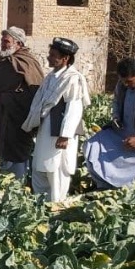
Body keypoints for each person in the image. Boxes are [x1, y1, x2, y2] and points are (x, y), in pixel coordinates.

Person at [23, 37, 90, 202]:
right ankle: (40, 209)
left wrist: (65, 135)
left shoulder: (73, 78)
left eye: (53, 55)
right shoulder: (51, 77)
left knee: (56, 172)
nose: (49, 57)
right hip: (45, 132)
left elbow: (74, 108)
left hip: (59, 136)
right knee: (40, 170)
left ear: (65, 59)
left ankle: (55, 210)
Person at [0, 27, 44, 179]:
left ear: (18, 43)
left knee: (16, 155)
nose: (2, 44)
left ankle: (18, 189)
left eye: (6, 41)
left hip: (17, 119)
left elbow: (33, 93)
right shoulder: (4, 60)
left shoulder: (26, 62)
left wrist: (2, 98)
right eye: (2, 41)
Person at [85, 58, 135, 190]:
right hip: (123, 134)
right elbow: (116, 102)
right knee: (92, 145)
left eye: (129, 81)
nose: (126, 84)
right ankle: (104, 187)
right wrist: (116, 118)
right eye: (123, 81)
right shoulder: (122, 85)